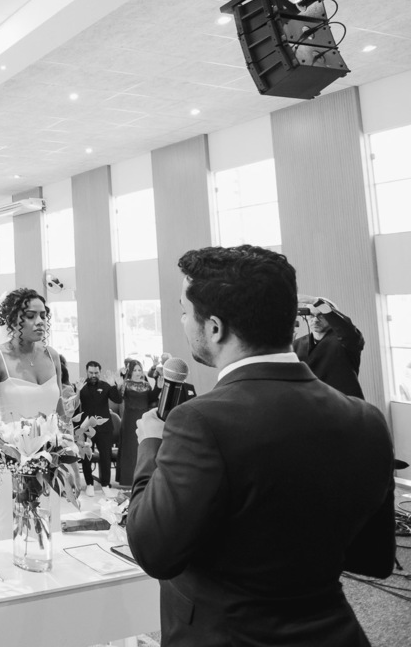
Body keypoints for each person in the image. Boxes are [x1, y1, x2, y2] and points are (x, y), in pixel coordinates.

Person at [126, 245, 394, 646]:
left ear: (214, 328)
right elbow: (373, 559)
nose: (182, 321)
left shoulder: (200, 422)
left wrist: (150, 445)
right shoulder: (367, 419)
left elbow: (153, 550)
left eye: (184, 312)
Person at [0, 288, 68, 544]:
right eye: (30, 316)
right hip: (9, 464)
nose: (40, 321)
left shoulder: (52, 356)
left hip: (49, 465)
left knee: (48, 535)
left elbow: (60, 414)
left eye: (43, 315)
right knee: (11, 536)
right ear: (12, 320)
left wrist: (72, 467)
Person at [293, 295, 366, 399]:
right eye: (311, 315)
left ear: (332, 318)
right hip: (311, 402)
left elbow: (348, 331)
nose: (315, 320)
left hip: (343, 403)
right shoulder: (297, 344)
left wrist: (315, 301)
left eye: (321, 315)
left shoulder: (347, 341)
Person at [77, 360, 120, 496]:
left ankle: (105, 485)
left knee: (106, 456)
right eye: (91, 373)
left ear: (100, 372)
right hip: (86, 427)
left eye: (96, 373)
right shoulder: (81, 386)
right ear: (87, 372)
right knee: (86, 457)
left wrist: (114, 385)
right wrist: (77, 392)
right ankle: (89, 484)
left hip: (104, 427)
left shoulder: (106, 386)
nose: (93, 375)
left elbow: (118, 399)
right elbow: (74, 407)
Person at [115, 358, 158, 486]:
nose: (138, 372)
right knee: (130, 448)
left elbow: (151, 399)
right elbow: (118, 398)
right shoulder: (126, 384)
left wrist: (158, 387)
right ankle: (128, 479)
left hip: (143, 417)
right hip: (129, 419)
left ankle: (143, 478)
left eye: (140, 370)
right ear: (130, 372)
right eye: (135, 370)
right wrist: (118, 386)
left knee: (143, 448)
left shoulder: (146, 385)